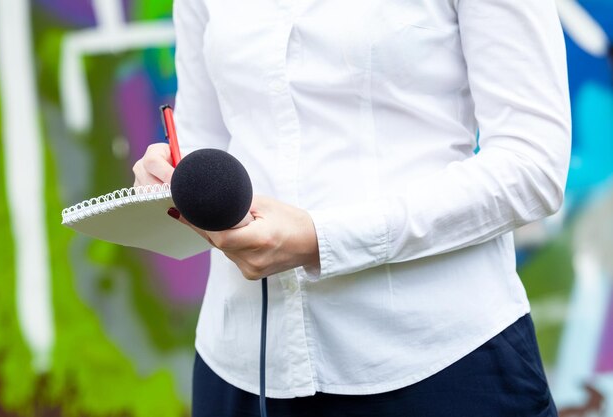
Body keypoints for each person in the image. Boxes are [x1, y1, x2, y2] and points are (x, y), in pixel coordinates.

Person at [132, 0, 571, 415]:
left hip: (439, 362)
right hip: (242, 369)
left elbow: (532, 164)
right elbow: (205, 133)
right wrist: (171, 175)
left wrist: (322, 238)